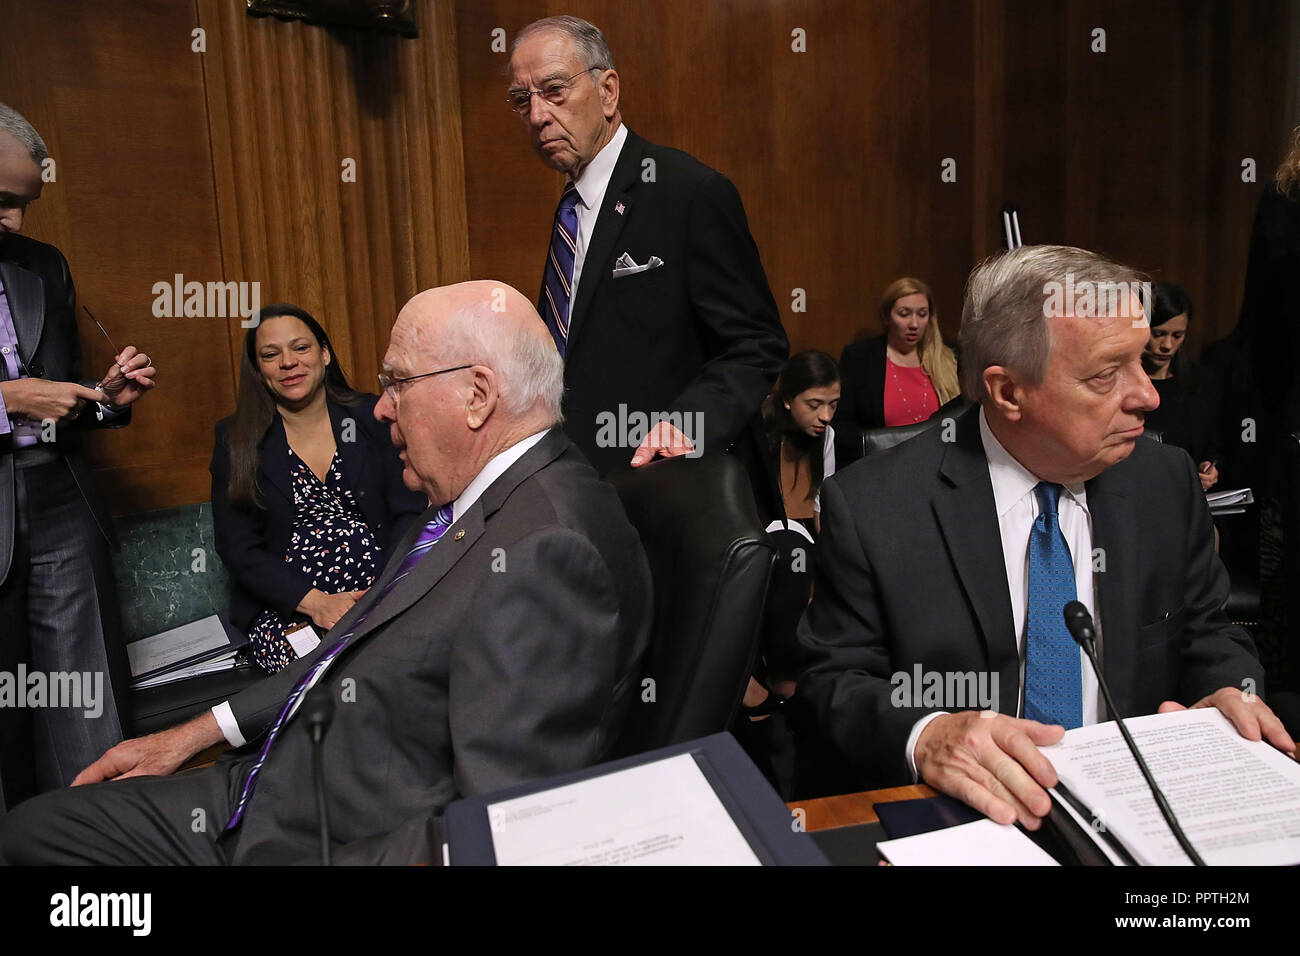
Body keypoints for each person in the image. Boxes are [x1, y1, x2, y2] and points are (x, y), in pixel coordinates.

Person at [0, 280, 652, 864]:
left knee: (37, 847)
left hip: (322, 833)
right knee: (37, 830)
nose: (381, 408)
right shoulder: (465, 503)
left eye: (399, 383)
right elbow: (348, 641)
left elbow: (498, 824)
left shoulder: (548, 550)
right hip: (272, 773)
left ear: (477, 394)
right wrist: (191, 734)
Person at [797, 245, 1293, 829]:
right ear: (1008, 392)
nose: (1148, 396)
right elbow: (832, 681)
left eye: (1140, 361)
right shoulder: (875, 505)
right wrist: (926, 734)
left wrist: (1225, 693)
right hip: (974, 819)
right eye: (1107, 374)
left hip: (1141, 815)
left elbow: (1206, 631)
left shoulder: (1165, 480)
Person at [507, 16, 788, 474]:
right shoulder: (570, 208)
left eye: (554, 90)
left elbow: (757, 344)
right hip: (585, 487)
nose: (538, 116)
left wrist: (687, 426)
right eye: (523, 100)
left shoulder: (688, 192)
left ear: (608, 91)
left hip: (670, 489)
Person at [0, 103, 156, 810]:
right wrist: (6, 401)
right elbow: (23, 397)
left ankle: (93, 858)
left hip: (62, 509)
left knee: (85, 712)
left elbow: (61, 398)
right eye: (3, 201)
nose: (16, 223)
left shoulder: (43, 267)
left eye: (25, 205)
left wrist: (106, 395)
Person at [210, 304, 427, 673]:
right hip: (290, 602)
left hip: (382, 585)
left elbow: (410, 509)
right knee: (319, 675)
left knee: (404, 657)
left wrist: (383, 590)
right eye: (270, 354)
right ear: (259, 370)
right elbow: (237, 546)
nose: (288, 362)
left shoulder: (374, 416)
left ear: (324, 353)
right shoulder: (236, 439)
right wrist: (315, 603)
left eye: (300, 348)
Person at [835, 277, 960, 435]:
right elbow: (843, 422)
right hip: (881, 456)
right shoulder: (859, 358)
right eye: (904, 314)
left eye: (922, 314)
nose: (914, 324)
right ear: (886, 317)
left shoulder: (949, 356)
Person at [1140, 282, 1221, 491]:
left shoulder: (1201, 381)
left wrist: (1208, 468)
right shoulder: (1123, 383)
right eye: (1158, 334)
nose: (1167, 345)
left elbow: (1213, 444)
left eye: (1177, 336)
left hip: (1186, 497)